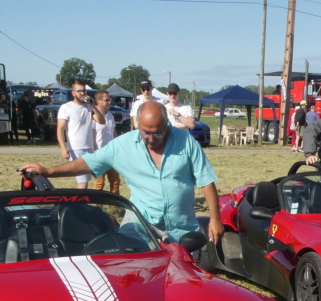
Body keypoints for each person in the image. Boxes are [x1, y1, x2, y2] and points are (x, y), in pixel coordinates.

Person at [20, 101, 223, 244]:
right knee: (129, 265)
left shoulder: (186, 142)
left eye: (157, 132)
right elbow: (88, 163)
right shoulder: (123, 145)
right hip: (142, 223)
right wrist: (48, 171)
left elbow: (206, 181)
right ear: (137, 124)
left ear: (167, 124)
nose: (151, 138)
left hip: (181, 227)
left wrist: (215, 219)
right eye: (146, 132)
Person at [56, 81, 97, 189]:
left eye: (84, 91)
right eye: (79, 91)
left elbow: (101, 121)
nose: (82, 93)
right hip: (76, 148)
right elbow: (60, 129)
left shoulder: (88, 107)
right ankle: (78, 204)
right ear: (73, 93)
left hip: (89, 147)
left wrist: (93, 106)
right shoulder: (66, 107)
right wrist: (63, 148)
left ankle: (81, 203)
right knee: (82, 182)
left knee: (86, 182)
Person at [91, 90, 122, 195]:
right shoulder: (93, 117)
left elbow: (113, 133)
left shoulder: (110, 115)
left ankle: (115, 208)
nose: (109, 102)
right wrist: (94, 151)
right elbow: (90, 136)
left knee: (115, 182)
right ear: (99, 101)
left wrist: (118, 146)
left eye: (110, 100)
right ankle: (97, 207)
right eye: (107, 100)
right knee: (99, 184)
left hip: (112, 154)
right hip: (99, 154)